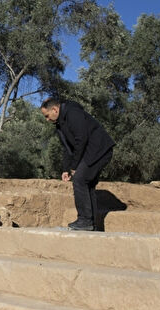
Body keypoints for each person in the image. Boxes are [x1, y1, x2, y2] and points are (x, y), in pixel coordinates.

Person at [40, 97, 115, 231]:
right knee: (88, 184)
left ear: (54, 110)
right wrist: (66, 169)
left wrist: (75, 167)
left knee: (80, 180)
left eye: (47, 116)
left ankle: (85, 221)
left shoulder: (72, 113)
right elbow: (68, 148)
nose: (47, 119)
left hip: (99, 150)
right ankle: (91, 223)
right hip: (91, 152)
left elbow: (81, 139)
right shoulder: (60, 124)